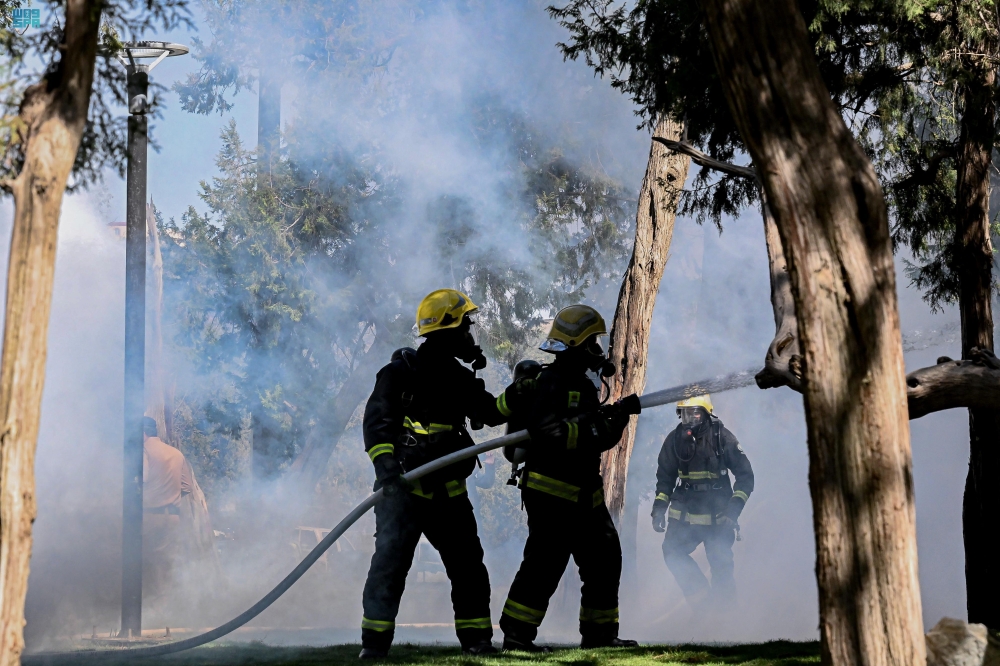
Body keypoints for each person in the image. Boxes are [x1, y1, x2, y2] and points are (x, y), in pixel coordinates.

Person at [359, 289, 509, 659]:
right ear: (449, 329)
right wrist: (386, 468)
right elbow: (377, 425)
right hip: (402, 491)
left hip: (449, 493)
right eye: (465, 327)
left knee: (468, 569)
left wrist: (523, 391)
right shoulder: (398, 374)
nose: (469, 334)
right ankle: (374, 645)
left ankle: (477, 641)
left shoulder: (459, 377)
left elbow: (491, 412)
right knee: (389, 568)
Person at [496, 305, 641, 652]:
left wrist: (612, 417)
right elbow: (550, 433)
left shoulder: (580, 383)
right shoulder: (551, 383)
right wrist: (610, 423)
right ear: (576, 345)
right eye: (592, 343)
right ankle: (516, 637)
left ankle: (600, 636)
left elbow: (588, 428)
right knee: (544, 565)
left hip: (584, 494)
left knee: (605, 560)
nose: (597, 350)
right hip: (553, 493)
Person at [650, 395, 754, 611]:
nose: (689, 419)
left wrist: (734, 509)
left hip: (719, 518)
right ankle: (703, 607)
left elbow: (746, 477)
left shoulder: (722, 437)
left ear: (706, 414)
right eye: (685, 414)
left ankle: (727, 618)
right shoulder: (674, 440)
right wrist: (659, 508)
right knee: (672, 551)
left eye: (695, 413)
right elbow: (665, 477)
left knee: (721, 565)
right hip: (685, 517)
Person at [142, 416, 193, 590]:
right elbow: (187, 486)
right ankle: (166, 600)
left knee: (145, 565)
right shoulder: (176, 453)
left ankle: (149, 601)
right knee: (167, 564)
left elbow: (142, 479)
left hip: (148, 517)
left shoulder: (144, 451)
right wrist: (170, 496)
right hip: (172, 518)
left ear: (142, 433)